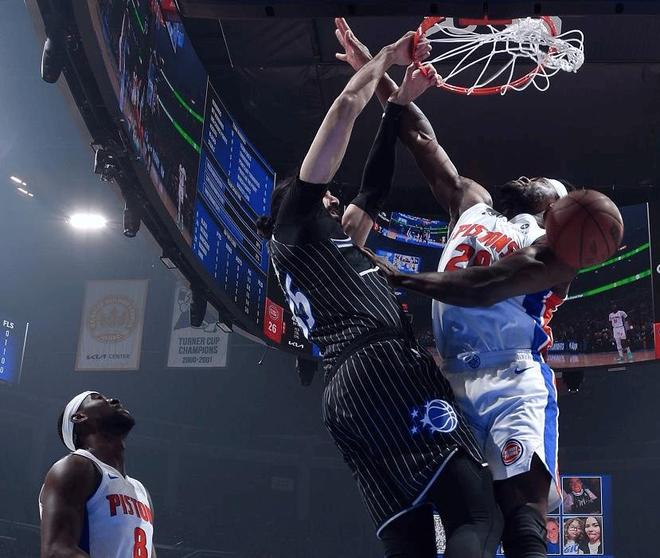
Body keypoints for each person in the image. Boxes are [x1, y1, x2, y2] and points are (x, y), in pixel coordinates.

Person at [337, 18, 581, 558]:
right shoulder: (472, 203)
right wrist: (374, 71)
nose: (529, 176)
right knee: (464, 525)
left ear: (556, 207)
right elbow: (420, 137)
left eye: (543, 181)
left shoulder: (553, 243)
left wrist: (416, 279)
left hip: (513, 379)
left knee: (521, 523)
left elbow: (487, 285)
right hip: (447, 380)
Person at [258, 27, 502, 558]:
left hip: (345, 395)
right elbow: (345, 108)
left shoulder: (323, 244)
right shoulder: (296, 219)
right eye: (327, 195)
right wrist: (386, 56)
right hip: (381, 365)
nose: (336, 200)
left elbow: (372, 189)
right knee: (476, 513)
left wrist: (397, 106)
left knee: (410, 540)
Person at [40, 391, 155, 557]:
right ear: (79, 417)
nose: (114, 400)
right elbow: (56, 551)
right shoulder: (75, 467)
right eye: (99, 398)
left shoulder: (141, 490)